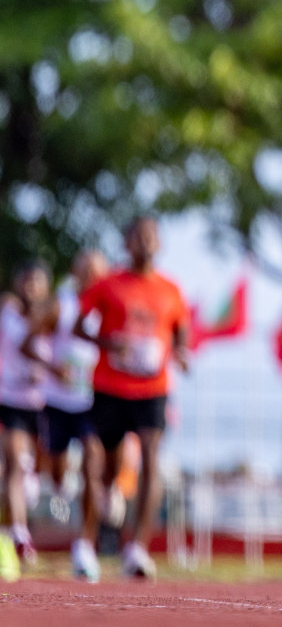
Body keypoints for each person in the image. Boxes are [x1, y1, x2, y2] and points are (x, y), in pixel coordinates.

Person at [73, 216, 190, 580]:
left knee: (152, 459)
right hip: (110, 386)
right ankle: (86, 546)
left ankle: (138, 549)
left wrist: (180, 353)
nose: (145, 242)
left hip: (152, 389)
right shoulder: (108, 285)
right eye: (138, 236)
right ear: (126, 243)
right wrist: (109, 344)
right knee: (100, 466)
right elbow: (79, 326)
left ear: (160, 243)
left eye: (151, 236)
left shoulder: (171, 290)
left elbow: (181, 333)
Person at [30, 249, 107, 581]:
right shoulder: (61, 304)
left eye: (97, 270)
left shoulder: (108, 307)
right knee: (57, 473)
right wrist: (51, 367)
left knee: (93, 460)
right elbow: (28, 340)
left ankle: (85, 547)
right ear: (75, 272)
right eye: (85, 269)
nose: (91, 276)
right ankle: (63, 483)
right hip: (57, 402)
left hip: (92, 402)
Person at [0, 262, 53, 569]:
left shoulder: (52, 317)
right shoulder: (6, 312)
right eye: (27, 280)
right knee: (14, 462)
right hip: (10, 399)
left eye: (38, 281)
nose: (31, 287)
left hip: (43, 402)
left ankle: (30, 485)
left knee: (44, 468)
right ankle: (19, 533)